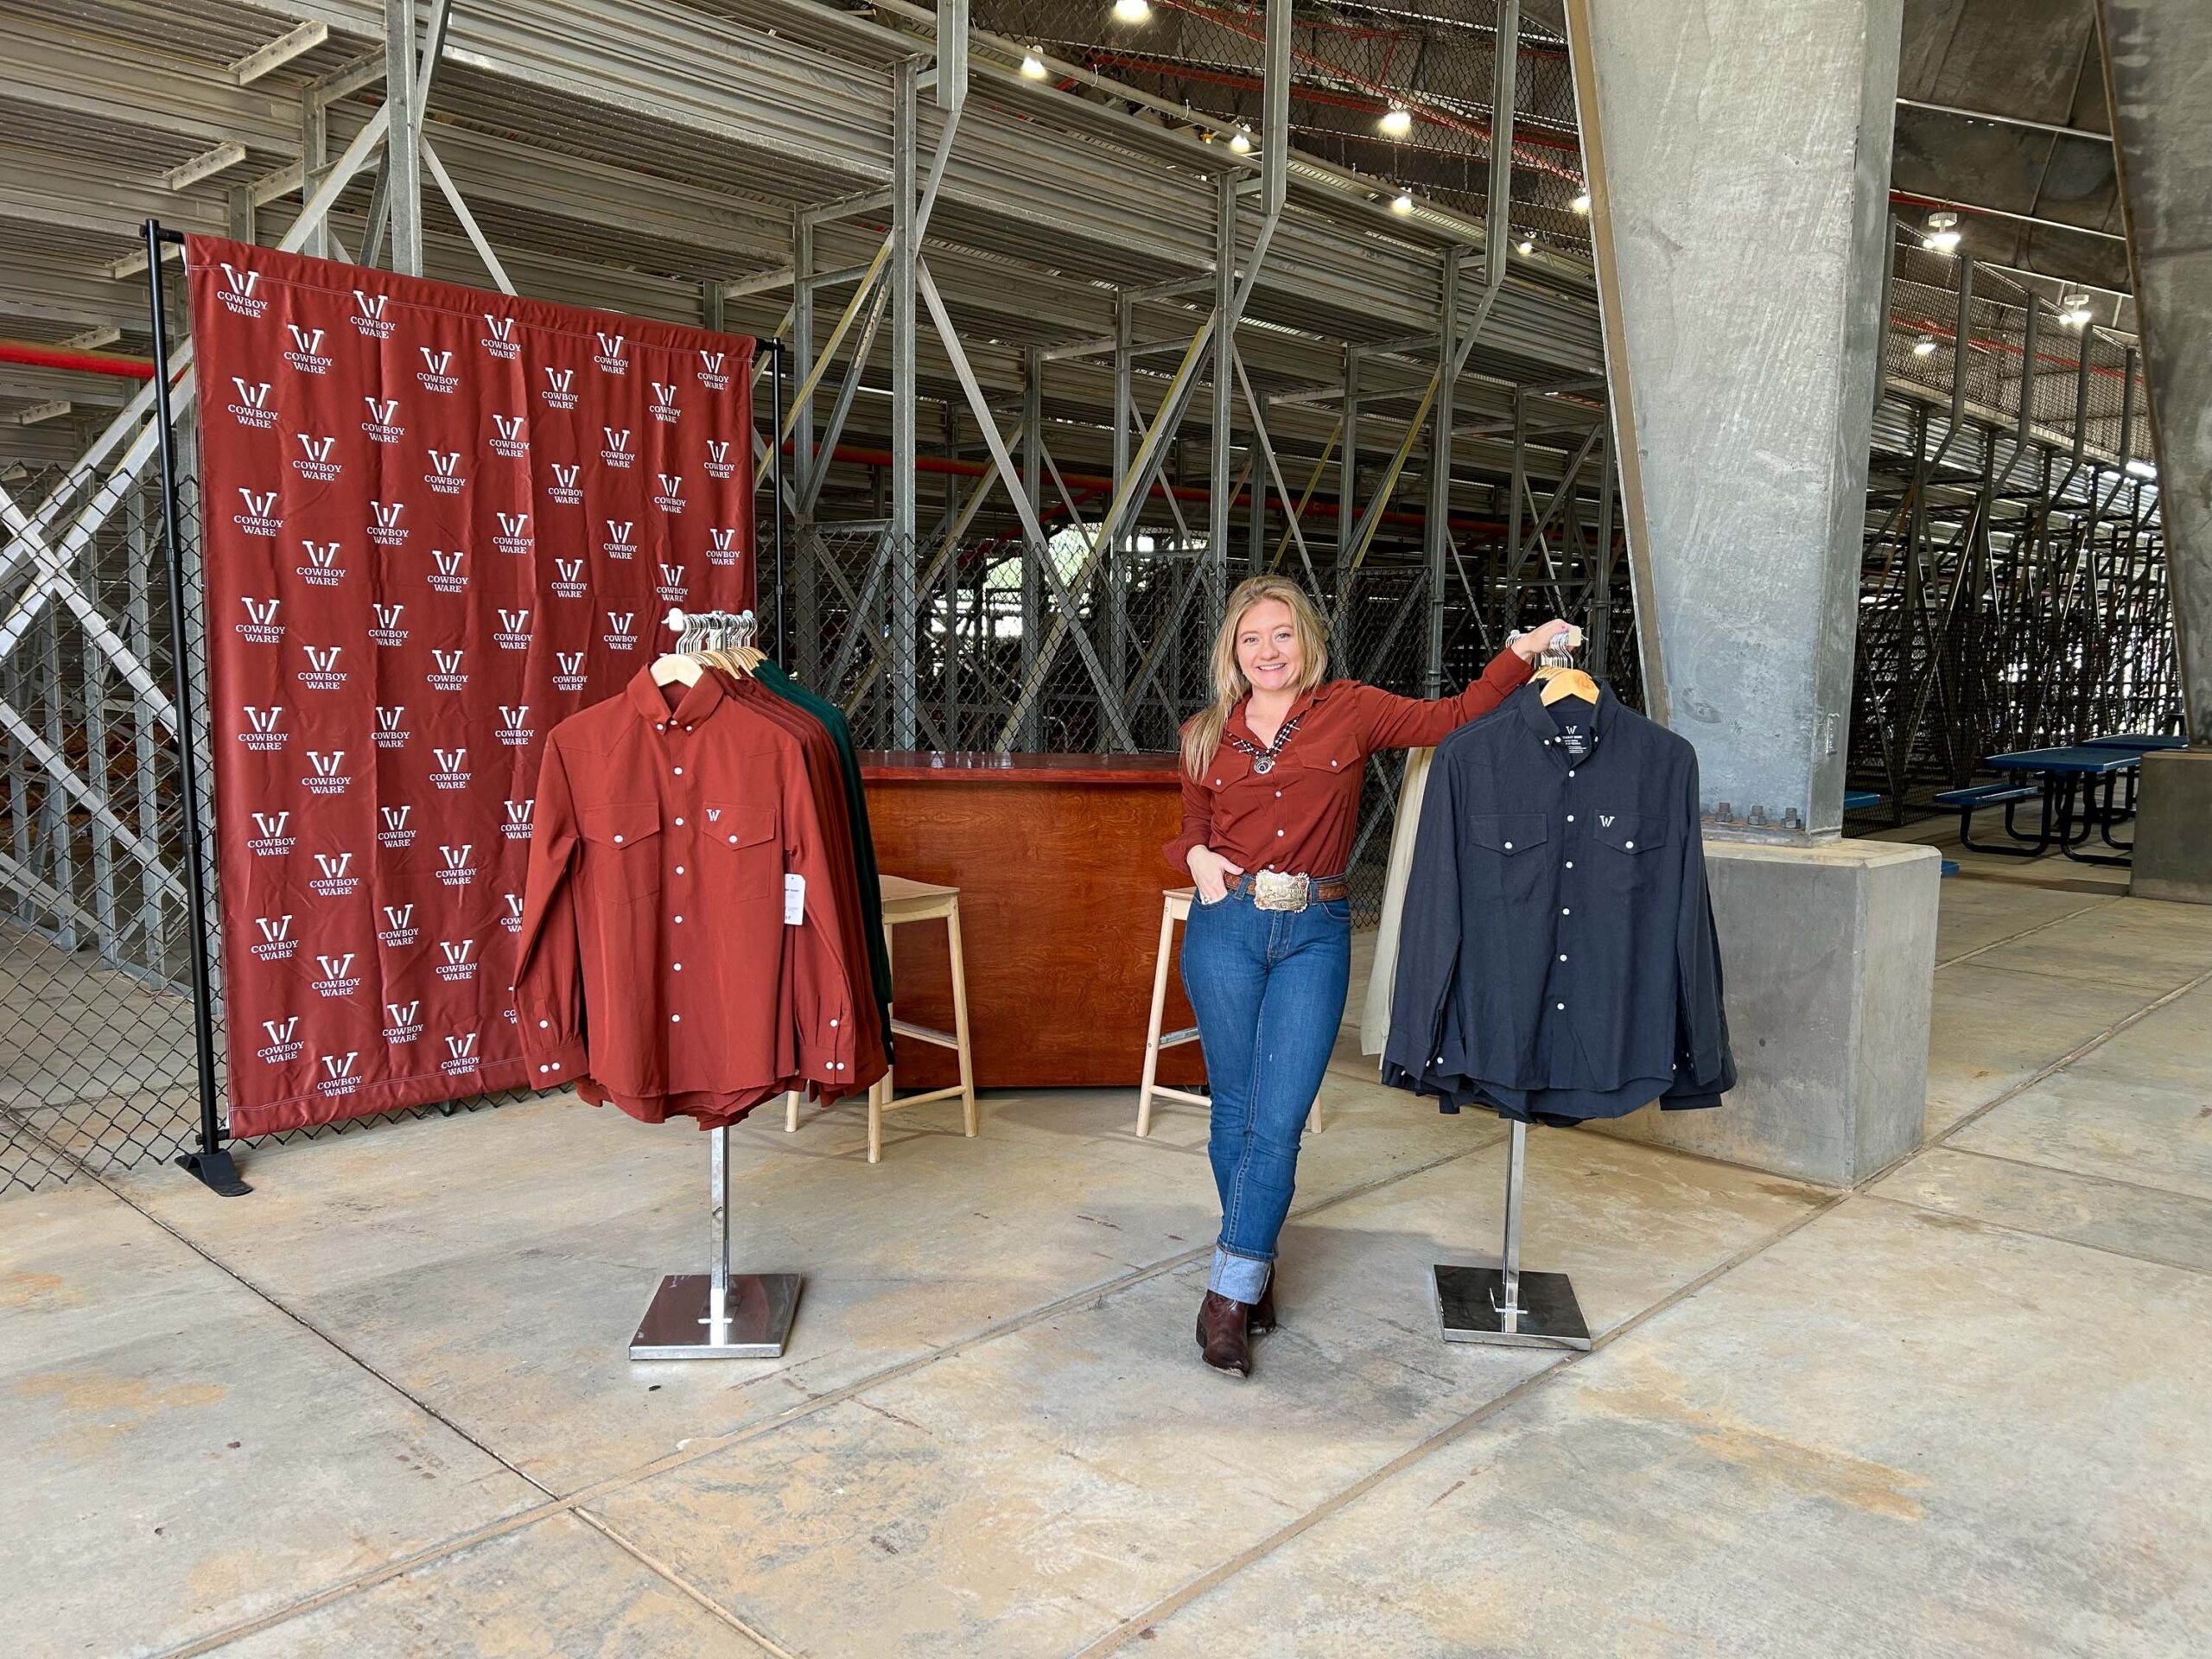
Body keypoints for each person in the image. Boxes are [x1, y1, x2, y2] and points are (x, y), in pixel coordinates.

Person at [1163, 574, 1569, 1378]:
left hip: (1314, 933)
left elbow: (1453, 717)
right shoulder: (1205, 732)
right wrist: (1199, 859)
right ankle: (1252, 1276)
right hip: (1226, 928)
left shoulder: (1351, 708)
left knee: (1277, 1123)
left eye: (1281, 634)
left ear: (1305, 641)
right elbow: (1187, 833)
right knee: (1232, 1116)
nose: (1268, 651)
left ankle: (1225, 1295)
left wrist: (1520, 653)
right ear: (1232, 652)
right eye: (1252, 638)